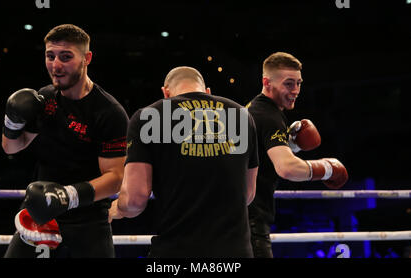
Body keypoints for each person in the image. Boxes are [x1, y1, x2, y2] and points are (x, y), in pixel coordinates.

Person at [2, 24, 129, 258]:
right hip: (40, 216)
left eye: (66, 57)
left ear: (87, 58)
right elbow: (11, 147)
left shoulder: (108, 112)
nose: (56, 65)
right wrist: (12, 121)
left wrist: (66, 195)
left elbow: (115, 178)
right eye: (50, 56)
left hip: (88, 224)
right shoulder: (45, 98)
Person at [109, 66, 259, 258]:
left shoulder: (148, 116)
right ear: (207, 92)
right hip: (235, 254)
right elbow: (247, 194)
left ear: (166, 93)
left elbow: (135, 201)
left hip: (176, 251)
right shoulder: (242, 115)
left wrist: (117, 209)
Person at [246, 52, 348, 258]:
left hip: (238, 219)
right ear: (267, 82)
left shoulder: (251, 109)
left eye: (299, 83)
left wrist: (290, 146)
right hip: (252, 223)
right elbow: (287, 168)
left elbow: (257, 158)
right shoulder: (269, 117)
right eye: (289, 84)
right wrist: (328, 169)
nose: (296, 90)